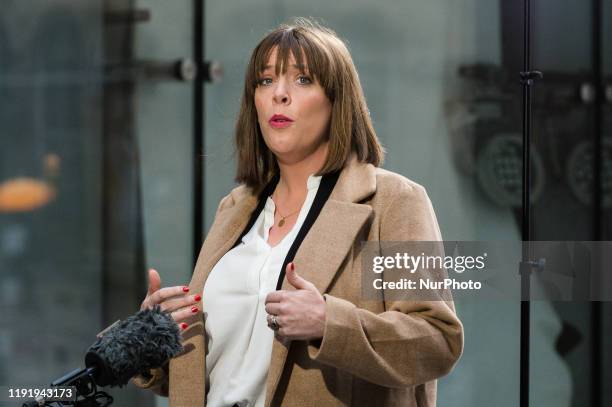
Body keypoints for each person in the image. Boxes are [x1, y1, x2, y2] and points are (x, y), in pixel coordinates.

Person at [133, 17, 463, 407]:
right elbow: (224, 364)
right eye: (265, 80)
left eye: (303, 80)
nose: (279, 95)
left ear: (337, 101)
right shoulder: (236, 208)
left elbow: (436, 340)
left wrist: (329, 323)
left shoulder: (393, 201)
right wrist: (153, 333)